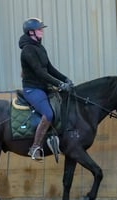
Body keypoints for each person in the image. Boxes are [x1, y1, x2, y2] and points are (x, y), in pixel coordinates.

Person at [19, 17, 73, 160]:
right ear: (31, 32)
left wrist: (65, 79)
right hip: (33, 89)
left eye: (41, 29)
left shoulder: (39, 47)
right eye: (39, 29)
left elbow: (49, 68)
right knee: (48, 114)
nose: (42, 31)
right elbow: (40, 72)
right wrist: (59, 84)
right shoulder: (27, 50)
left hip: (44, 87)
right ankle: (35, 147)